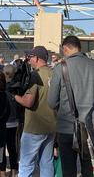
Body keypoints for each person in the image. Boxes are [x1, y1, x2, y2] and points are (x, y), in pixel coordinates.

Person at [47, 35, 94, 177]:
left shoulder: (59, 68)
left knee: (68, 169)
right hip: (90, 128)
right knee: (89, 167)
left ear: (65, 48)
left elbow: (51, 101)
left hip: (66, 127)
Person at [14, 46, 57, 177]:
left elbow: (28, 102)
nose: (29, 60)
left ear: (37, 58)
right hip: (52, 125)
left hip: (34, 127)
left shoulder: (35, 75)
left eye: (30, 57)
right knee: (46, 162)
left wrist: (14, 95)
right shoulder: (54, 74)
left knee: (26, 163)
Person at [0, 64, 20, 177]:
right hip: (14, 121)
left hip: (3, 121)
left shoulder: (0, 87)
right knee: (12, 148)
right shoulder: (17, 87)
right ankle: (14, 172)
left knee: (1, 148)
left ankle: (2, 172)